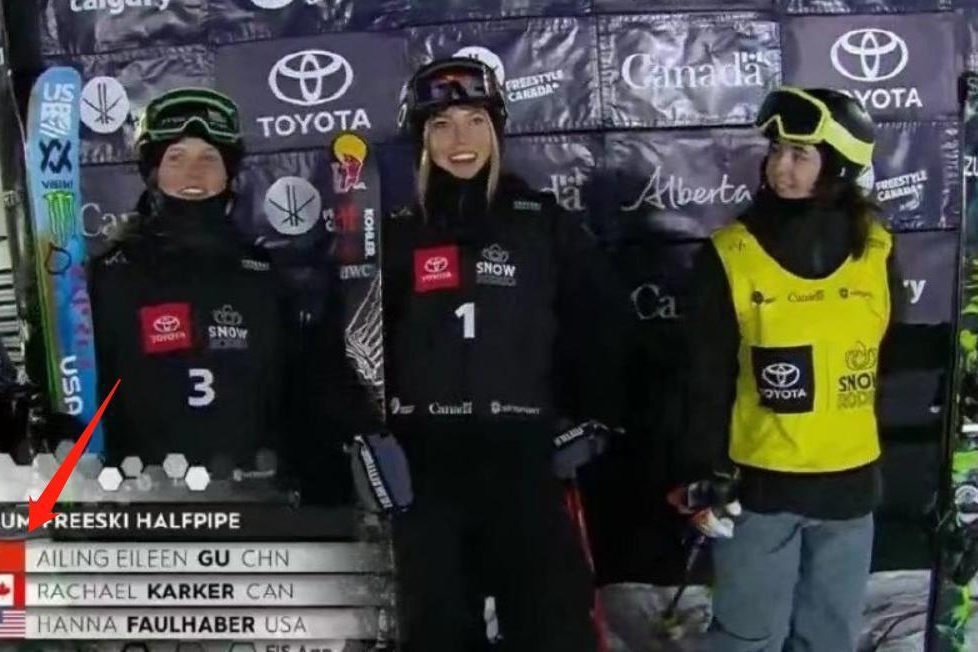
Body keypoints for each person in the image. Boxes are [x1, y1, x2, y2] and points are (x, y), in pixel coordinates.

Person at [385, 56, 621, 651]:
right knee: (437, 631)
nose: (459, 140)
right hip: (427, 465)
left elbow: (603, 330)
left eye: (475, 121)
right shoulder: (397, 233)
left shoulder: (542, 223)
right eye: (441, 125)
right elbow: (356, 348)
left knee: (553, 629)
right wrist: (365, 433)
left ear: (498, 130)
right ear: (420, 139)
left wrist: (592, 418)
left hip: (524, 460)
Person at [670, 86, 903, 651]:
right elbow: (705, 375)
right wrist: (703, 470)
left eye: (800, 154)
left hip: (849, 491)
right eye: (776, 151)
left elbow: (890, 357)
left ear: (839, 164)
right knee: (748, 637)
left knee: (829, 637)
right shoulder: (730, 253)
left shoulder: (876, 249)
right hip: (761, 490)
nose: (781, 167)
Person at [86, 87, 379, 503]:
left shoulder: (266, 277)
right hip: (146, 507)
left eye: (209, 158)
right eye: (176, 158)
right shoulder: (108, 277)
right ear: (152, 172)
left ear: (229, 173)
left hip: (258, 502)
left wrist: (361, 429)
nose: (193, 173)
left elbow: (309, 388)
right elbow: (82, 387)